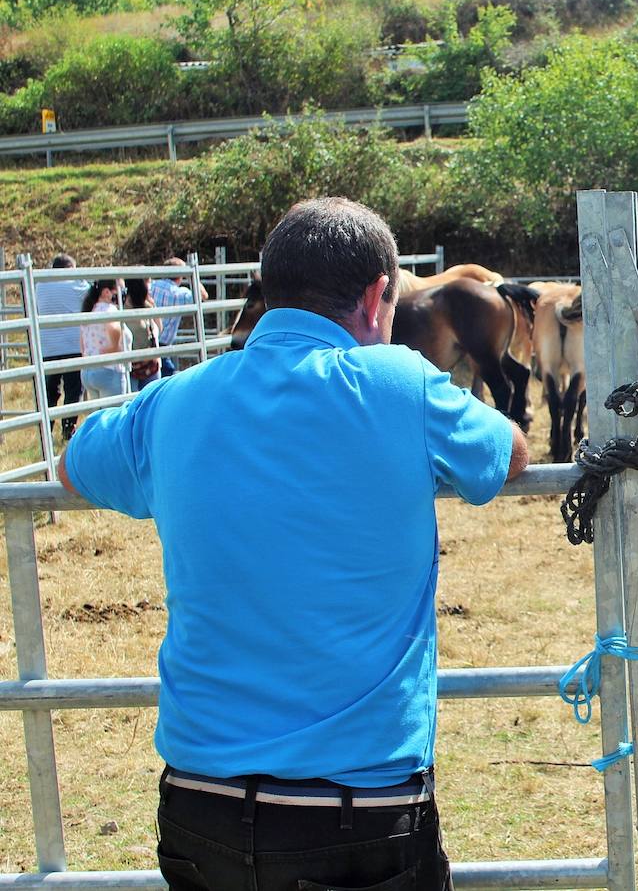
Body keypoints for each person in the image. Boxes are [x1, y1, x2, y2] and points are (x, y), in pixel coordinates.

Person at [57, 197, 530, 891]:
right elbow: (505, 452)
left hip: (199, 803)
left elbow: (73, 466)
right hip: (357, 809)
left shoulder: (174, 399)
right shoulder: (400, 384)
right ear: (379, 297)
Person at [34, 253, 88, 440]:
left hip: (48, 346)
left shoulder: (40, 285)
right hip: (72, 345)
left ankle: (46, 427)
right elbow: (89, 299)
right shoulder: (77, 284)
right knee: (73, 390)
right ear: (70, 269)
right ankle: (68, 427)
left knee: (50, 390)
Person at [148, 257, 204, 378]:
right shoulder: (180, 293)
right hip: (163, 346)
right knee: (167, 377)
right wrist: (192, 274)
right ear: (180, 276)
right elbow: (203, 295)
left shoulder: (151, 286)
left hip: (147, 341)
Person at [78, 279, 131, 402]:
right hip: (109, 368)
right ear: (106, 292)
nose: (122, 294)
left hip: (88, 370)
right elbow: (114, 328)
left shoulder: (89, 310)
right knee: (114, 416)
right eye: (120, 290)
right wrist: (115, 348)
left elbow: (82, 342)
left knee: (97, 416)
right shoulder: (109, 309)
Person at [122, 277, 163, 391]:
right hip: (147, 363)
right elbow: (159, 328)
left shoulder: (120, 307)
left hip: (136, 363)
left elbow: (158, 329)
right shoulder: (146, 306)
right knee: (150, 402)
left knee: (133, 403)